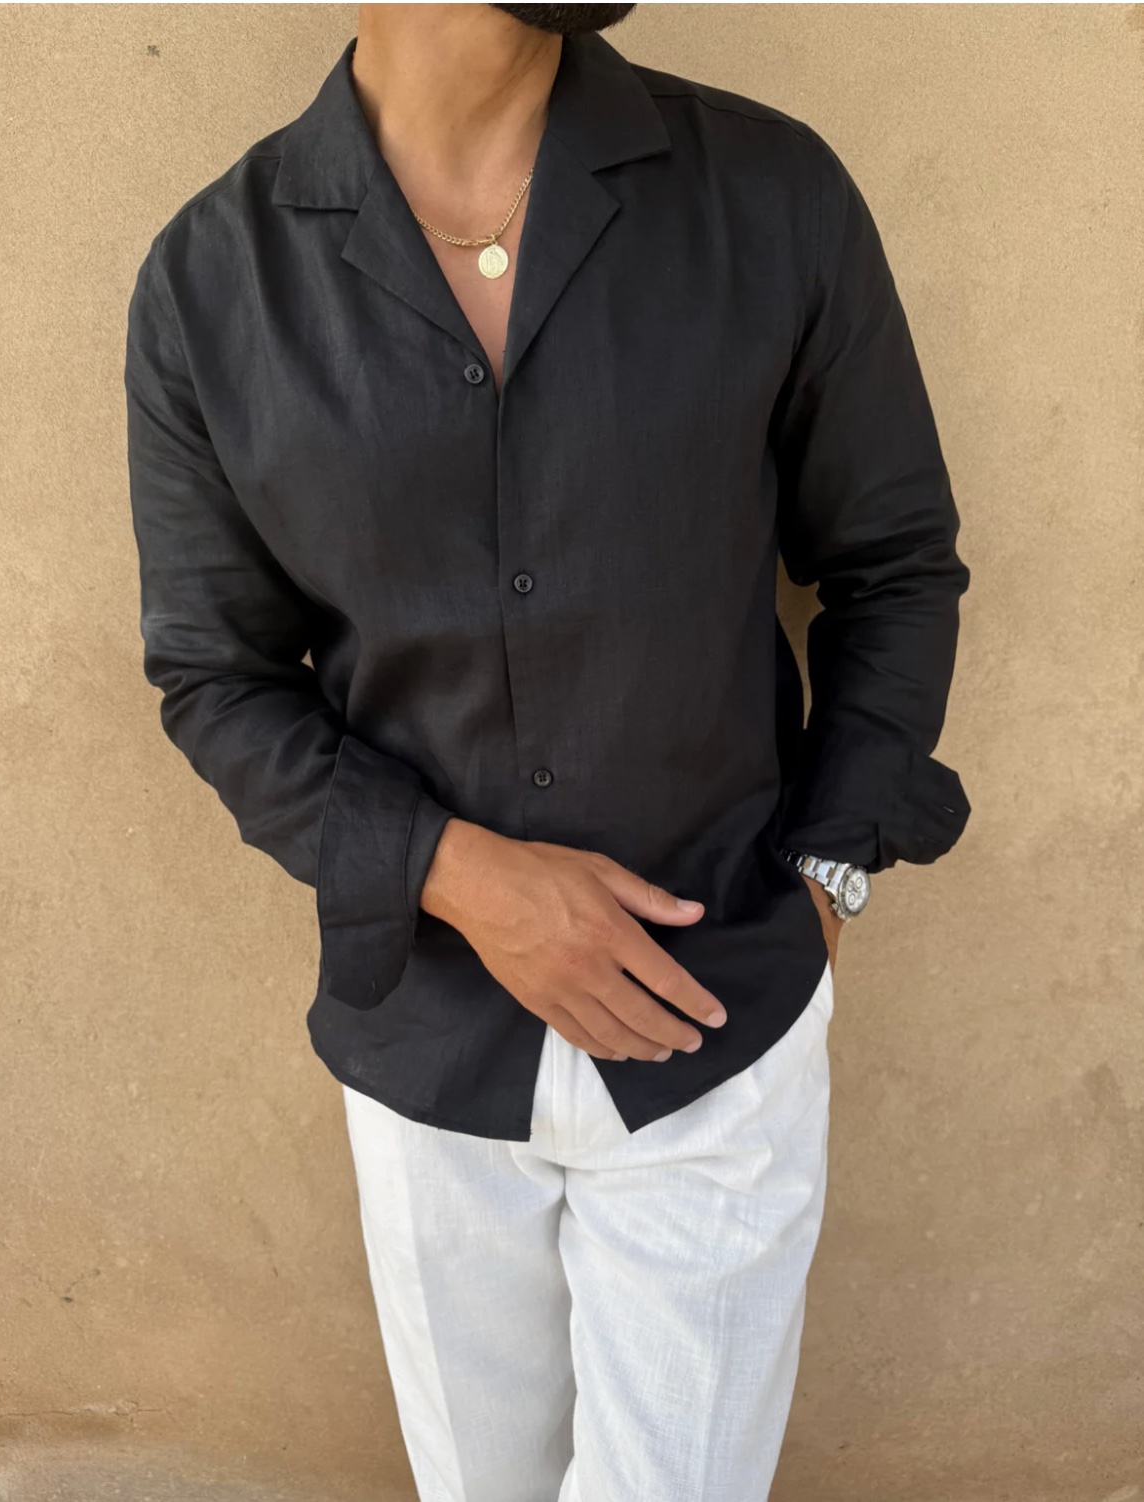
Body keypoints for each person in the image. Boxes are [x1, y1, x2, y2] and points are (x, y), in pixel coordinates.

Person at [124, 3, 971, 1498]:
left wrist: (829, 875)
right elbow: (216, 672)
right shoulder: (214, 281)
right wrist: (458, 874)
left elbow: (893, 562)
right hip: (428, 1051)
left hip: (720, 1021)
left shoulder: (767, 195)